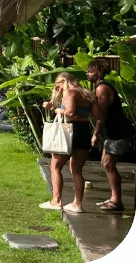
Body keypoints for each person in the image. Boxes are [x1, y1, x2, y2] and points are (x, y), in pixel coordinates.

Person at [41, 72, 94, 214]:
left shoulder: (70, 92)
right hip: (84, 132)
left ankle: (56, 200)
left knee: (55, 166)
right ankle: (77, 204)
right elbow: (87, 114)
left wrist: (55, 108)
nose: (57, 88)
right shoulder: (85, 93)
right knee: (76, 170)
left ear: (63, 81)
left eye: (57, 85)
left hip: (69, 132)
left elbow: (69, 112)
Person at [89, 59, 135, 212]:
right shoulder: (100, 87)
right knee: (106, 163)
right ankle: (114, 197)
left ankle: (116, 201)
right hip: (110, 132)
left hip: (117, 131)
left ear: (99, 72)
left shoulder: (102, 89)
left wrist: (95, 133)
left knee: (109, 164)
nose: (87, 73)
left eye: (91, 71)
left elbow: (101, 114)